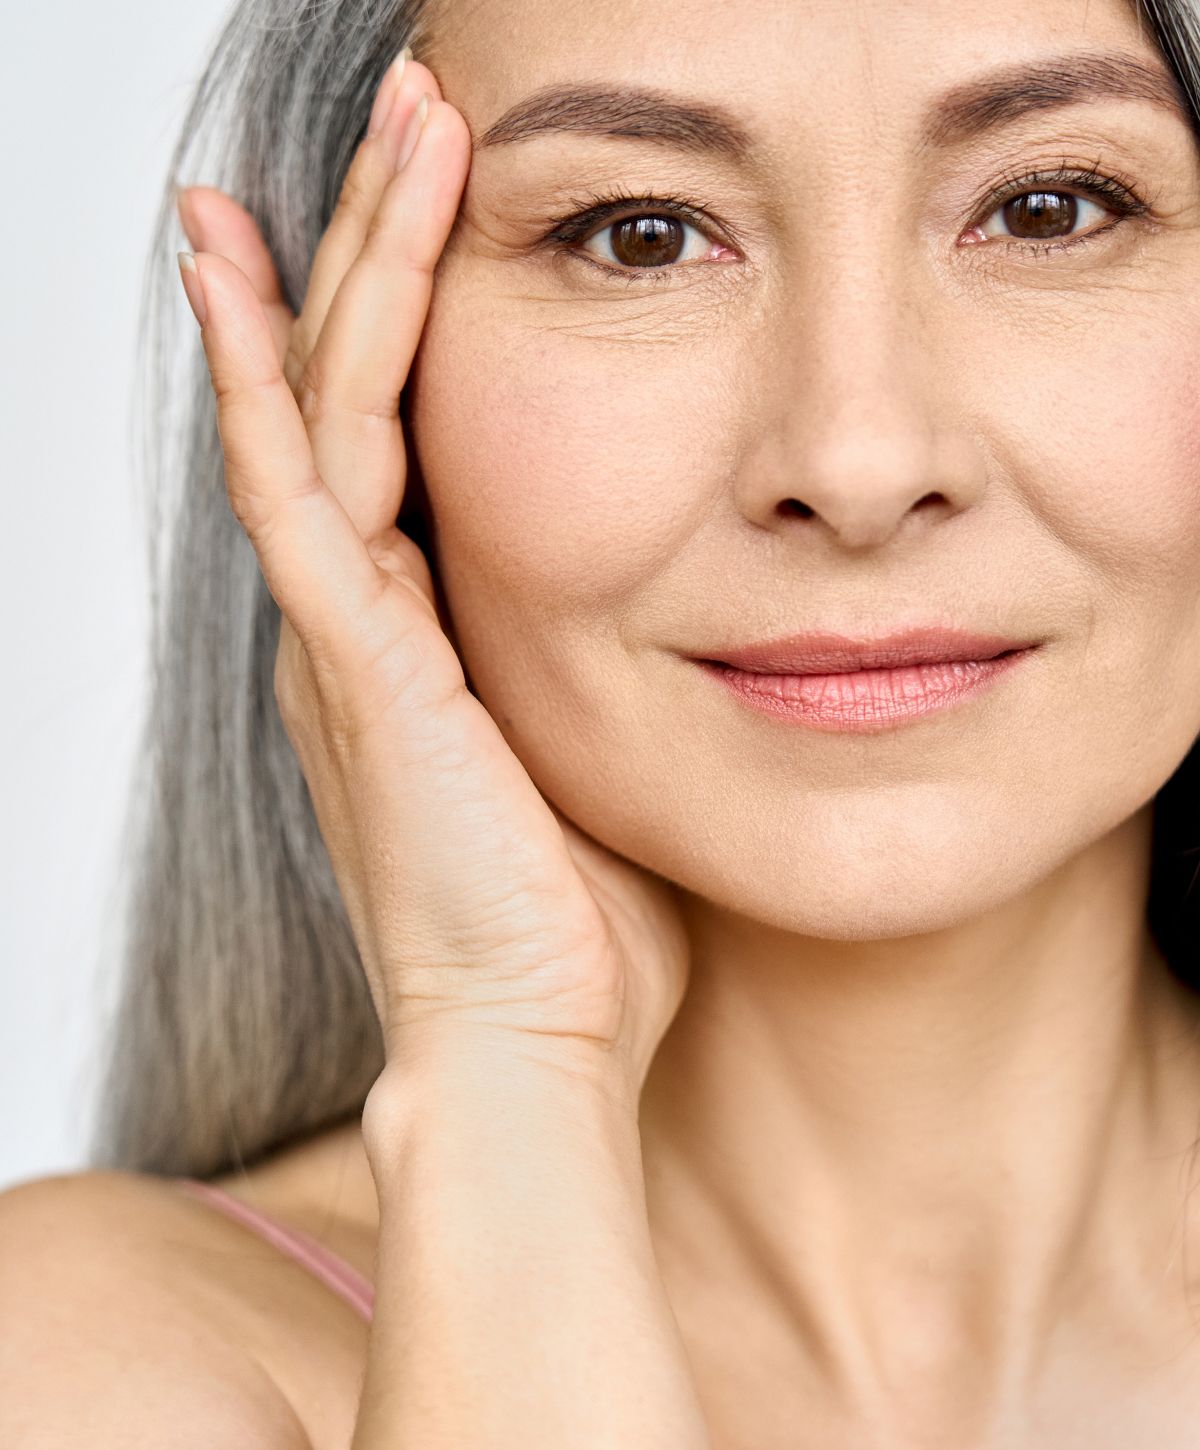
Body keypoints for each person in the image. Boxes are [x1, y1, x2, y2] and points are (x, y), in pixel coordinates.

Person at [7, 0, 1200, 1442]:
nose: (859, 459)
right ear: (359, 363)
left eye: (1051, 207)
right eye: (640, 233)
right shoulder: (79, 1363)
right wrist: (511, 1056)